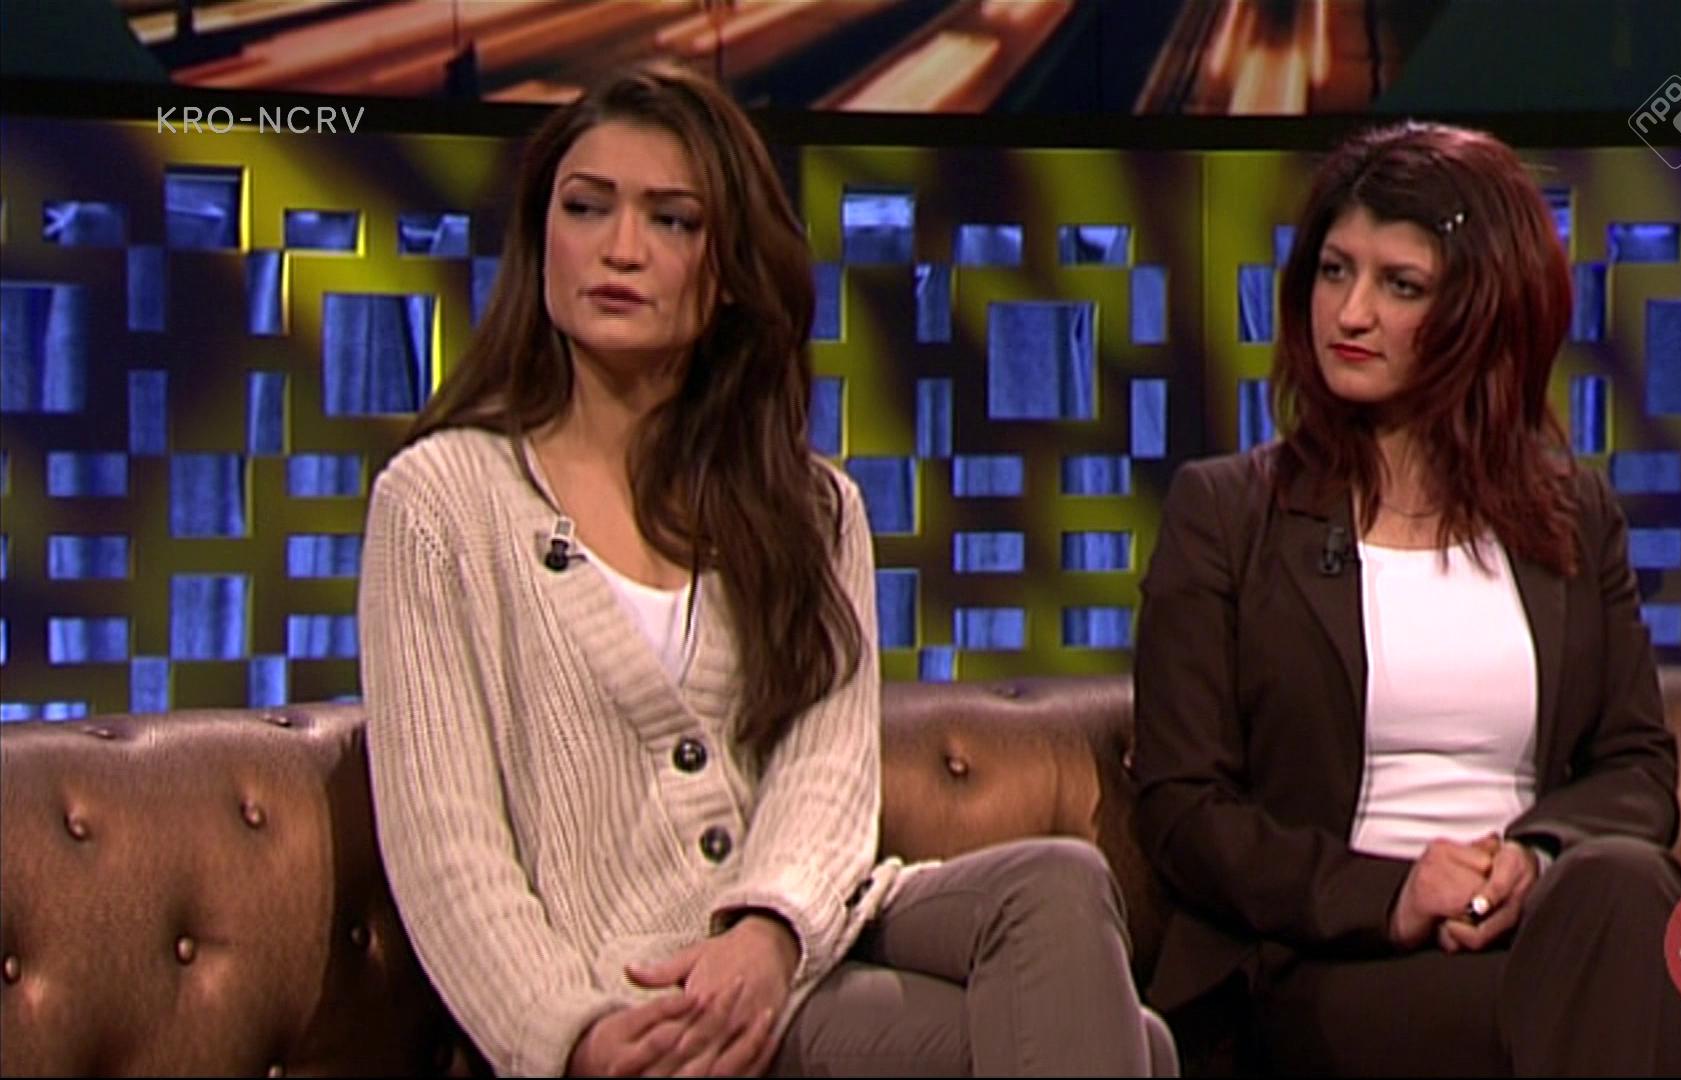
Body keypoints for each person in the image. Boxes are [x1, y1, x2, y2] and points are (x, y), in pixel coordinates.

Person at [359, 62, 1176, 1078]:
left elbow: (827, 767)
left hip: (805, 938)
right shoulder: (441, 500)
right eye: (587, 207)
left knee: (1057, 882)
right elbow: (446, 844)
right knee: (1131, 1043)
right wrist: (572, 1036)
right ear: (540, 238)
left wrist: (770, 933)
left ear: (731, 268)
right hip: (630, 989)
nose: (620, 248)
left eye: (671, 220)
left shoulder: (810, 505)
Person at [1130, 121, 1681, 1076]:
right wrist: (1394, 895)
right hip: (1324, 961)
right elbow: (1184, 810)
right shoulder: (1226, 513)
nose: (1350, 313)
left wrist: (1534, 861)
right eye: (1334, 272)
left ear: (1483, 311)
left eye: (1401, 285)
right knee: (1666, 989)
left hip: (1545, 931)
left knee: (1622, 888)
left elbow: (1635, 769)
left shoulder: (1572, 515)